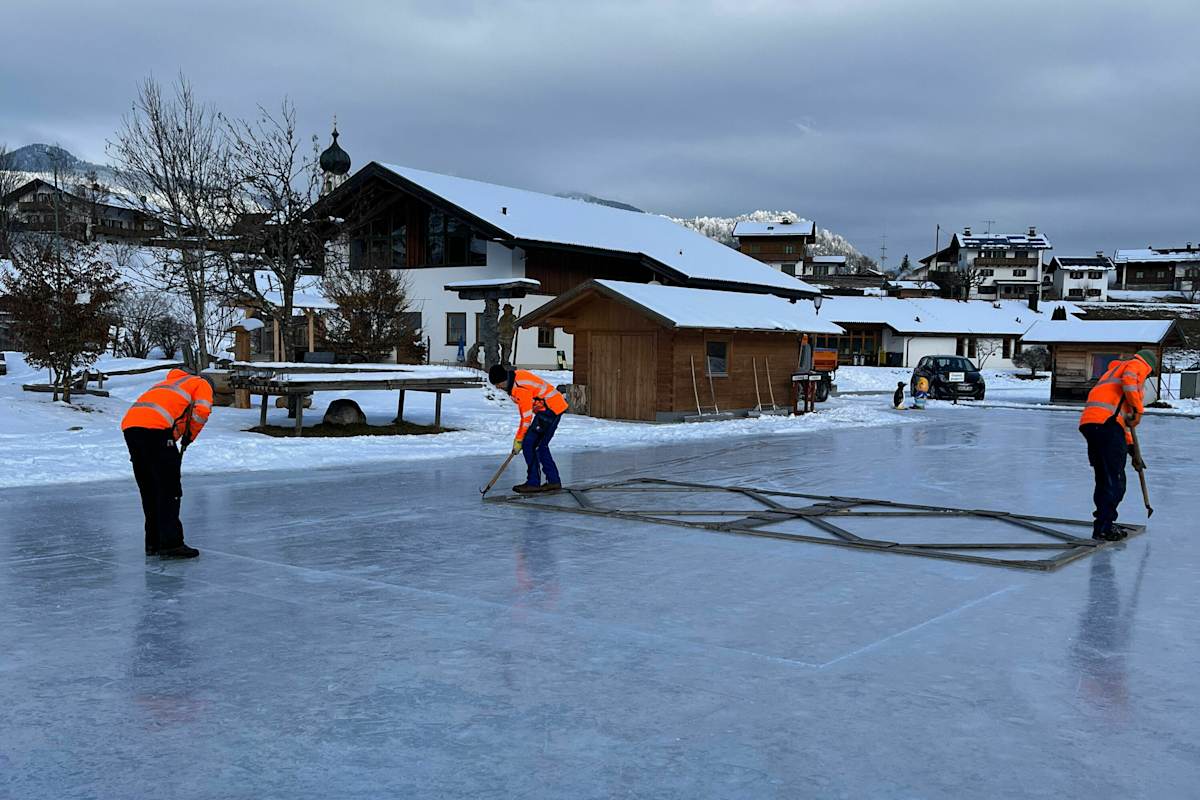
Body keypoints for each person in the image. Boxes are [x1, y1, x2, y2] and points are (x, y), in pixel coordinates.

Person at [121, 368, 213, 559]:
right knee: (169, 488)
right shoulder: (201, 383)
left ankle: (153, 543)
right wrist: (189, 437)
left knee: (149, 488)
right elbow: (202, 411)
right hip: (155, 429)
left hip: (131, 428)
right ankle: (171, 544)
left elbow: (173, 419)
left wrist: (176, 439)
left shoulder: (168, 384)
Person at [1078, 349, 1156, 541]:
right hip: (1107, 425)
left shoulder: (1112, 373)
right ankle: (1104, 527)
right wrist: (1138, 409)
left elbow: (1122, 422)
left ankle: (1103, 523)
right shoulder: (1136, 365)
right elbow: (1129, 379)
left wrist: (1132, 450)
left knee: (1105, 477)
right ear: (1149, 366)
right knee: (1115, 480)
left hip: (1094, 424)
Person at [489, 364, 568, 494]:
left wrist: (518, 440)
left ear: (504, 379)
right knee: (541, 445)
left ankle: (533, 483)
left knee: (529, 444)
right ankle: (553, 481)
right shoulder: (517, 377)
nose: (498, 387)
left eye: (498, 384)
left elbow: (526, 418)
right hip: (553, 406)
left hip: (550, 409)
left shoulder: (519, 388)